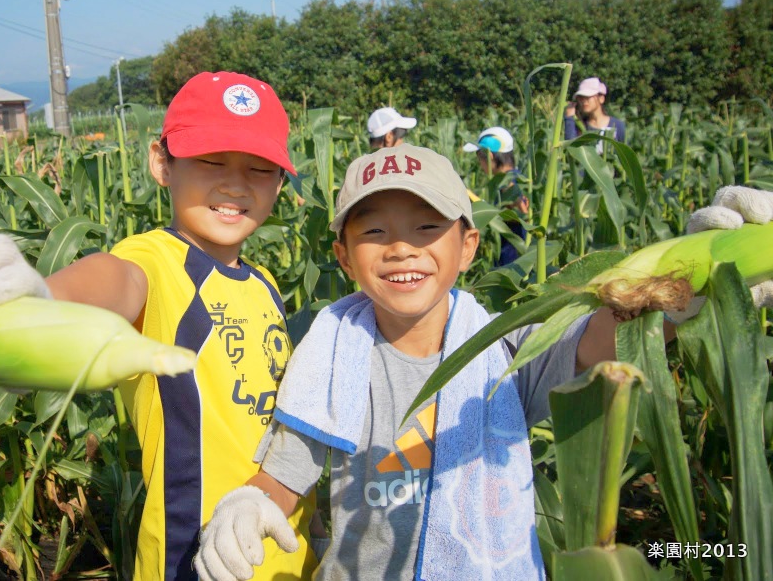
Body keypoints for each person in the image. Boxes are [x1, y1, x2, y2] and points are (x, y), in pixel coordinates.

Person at [195, 143, 731, 581]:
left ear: (469, 244)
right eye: (375, 232)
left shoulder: (505, 349)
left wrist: (692, 281)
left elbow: (598, 342)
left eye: (427, 228)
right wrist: (248, 506)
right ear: (342, 256)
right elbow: (283, 478)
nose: (401, 249)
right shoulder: (333, 358)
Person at [0, 72, 318, 581]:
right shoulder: (157, 261)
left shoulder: (265, 283)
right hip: (195, 558)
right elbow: (113, 280)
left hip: (287, 557)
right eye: (211, 160)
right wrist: (46, 298)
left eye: (258, 167)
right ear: (162, 163)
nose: (235, 183)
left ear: (279, 181)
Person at [463, 127, 529, 266]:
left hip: (513, 262)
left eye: (479, 158)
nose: (480, 165)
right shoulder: (518, 178)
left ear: (489, 156)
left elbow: (523, 208)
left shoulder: (509, 183)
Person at [564, 77, 626, 149]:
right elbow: (571, 150)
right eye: (581, 98)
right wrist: (569, 117)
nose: (584, 101)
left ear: (601, 99)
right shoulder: (580, 127)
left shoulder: (618, 126)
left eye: (588, 97)